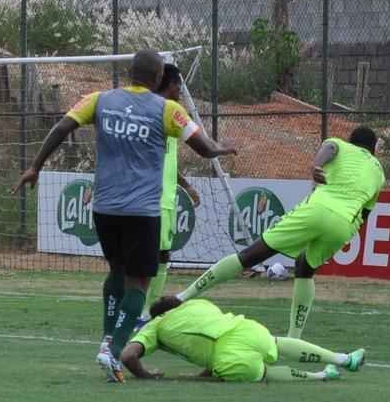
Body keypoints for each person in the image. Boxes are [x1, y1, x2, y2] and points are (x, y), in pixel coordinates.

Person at [14, 50, 233, 383]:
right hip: (142, 211)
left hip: (104, 208)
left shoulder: (98, 100)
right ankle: (113, 349)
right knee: (140, 282)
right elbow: (202, 147)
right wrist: (220, 147)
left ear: (129, 72)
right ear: (159, 78)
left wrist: (35, 167)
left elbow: (61, 128)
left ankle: (107, 339)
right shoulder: (168, 110)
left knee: (116, 271)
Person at [174, 126, 385, 338]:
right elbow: (365, 213)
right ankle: (294, 338)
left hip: (318, 209)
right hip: (344, 225)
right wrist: (345, 232)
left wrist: (316, 165)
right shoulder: (379, 172)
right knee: (305, 268)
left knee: (249, 256)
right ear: (373, 149)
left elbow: (329, 147)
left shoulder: (341, 145)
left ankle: (182, 297)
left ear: (351, 140)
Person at [120, 296, 365, 383]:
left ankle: (322, 376)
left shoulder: (156, 324)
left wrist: (147, 377)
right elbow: (207, 331)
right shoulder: (198, 303)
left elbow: (128, 356)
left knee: (265, 373)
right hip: (246, 328)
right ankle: (343, 359)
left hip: (229, 357)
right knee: (277, 344)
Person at [141, 64, 203, 322]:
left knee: (163, 254)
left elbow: (168, 161)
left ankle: (148, 309)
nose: (181, 91)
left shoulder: (170, 116)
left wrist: (185, 185)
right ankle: (141, 312)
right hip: (150, 198)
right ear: (171, 85)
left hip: (166, 199)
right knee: (147, 257)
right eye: (180, 85)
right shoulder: (153, 114)